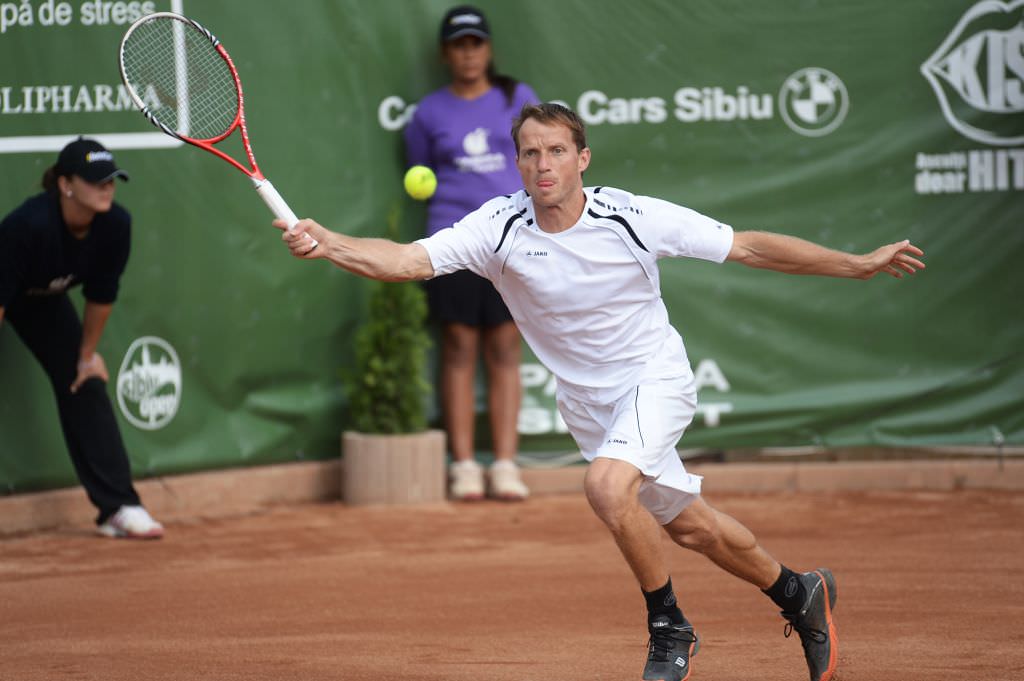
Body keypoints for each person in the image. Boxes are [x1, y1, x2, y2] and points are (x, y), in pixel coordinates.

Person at [277, 103, 925, 681]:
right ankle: (799, 591)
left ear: (582, 158)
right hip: (590, 407)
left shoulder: (632, 216)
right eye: (529, 152)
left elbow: (748, 247)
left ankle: (670, 627)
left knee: (606, 488)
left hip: (654, 378)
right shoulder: (496, 227)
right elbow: (409, 260)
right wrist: (329, 242)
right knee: (694, 529)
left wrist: (856, 262)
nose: (542, 163)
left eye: (556, 150)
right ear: (518, 163)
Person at [403, 6, 539, 501]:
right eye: (458, 44)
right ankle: (463, 465)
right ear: (446, 53)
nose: (468, 53)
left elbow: (539, 157)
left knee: (504, 347)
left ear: (489, 49)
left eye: (475, 43)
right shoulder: (428, 113)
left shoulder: (516, 98)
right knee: (458, 347)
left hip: (512, 240)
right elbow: (419, 172)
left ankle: (505, 464)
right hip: (454, 240)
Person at [0, 137, 164, 540]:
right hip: (6, 292)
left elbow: (101, 295)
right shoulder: (26, 227)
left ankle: (119, 507)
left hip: (45, 299)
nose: (107, 188)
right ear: (65, 184)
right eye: (96, 180)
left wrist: (86, 355)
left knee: (85, 381)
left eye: (112, 180)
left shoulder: (115, 225)